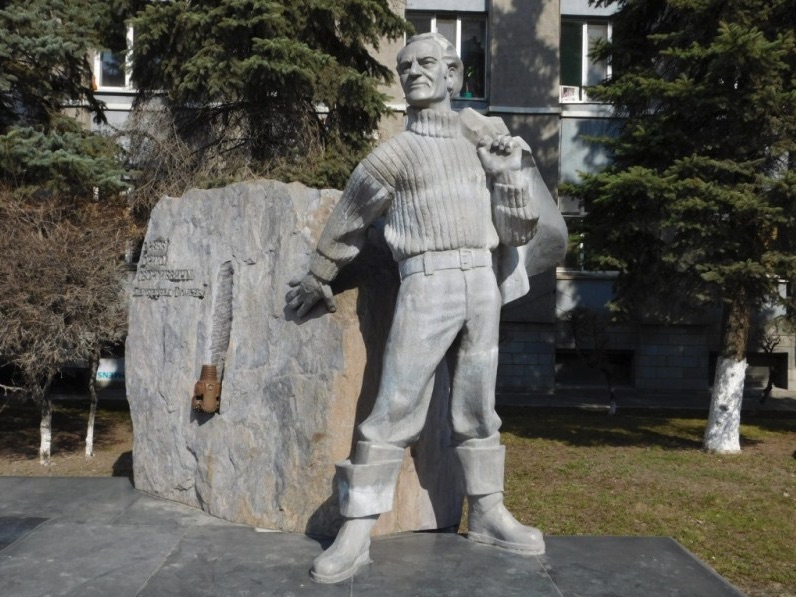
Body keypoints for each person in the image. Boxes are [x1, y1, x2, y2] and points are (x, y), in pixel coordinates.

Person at [286, 32, 545, 584]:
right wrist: (318, 276)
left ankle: (489, 513)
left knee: (478, 408)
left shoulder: (482, 144)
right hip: (427, 284)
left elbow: (517, 233)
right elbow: (347, 221)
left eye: (427, 63)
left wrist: (508, 175)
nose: (414, 73)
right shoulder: (393, 156)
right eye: (405, 67)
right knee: (394, 408)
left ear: (453, 74)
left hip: (482, 283)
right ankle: (357, 529)